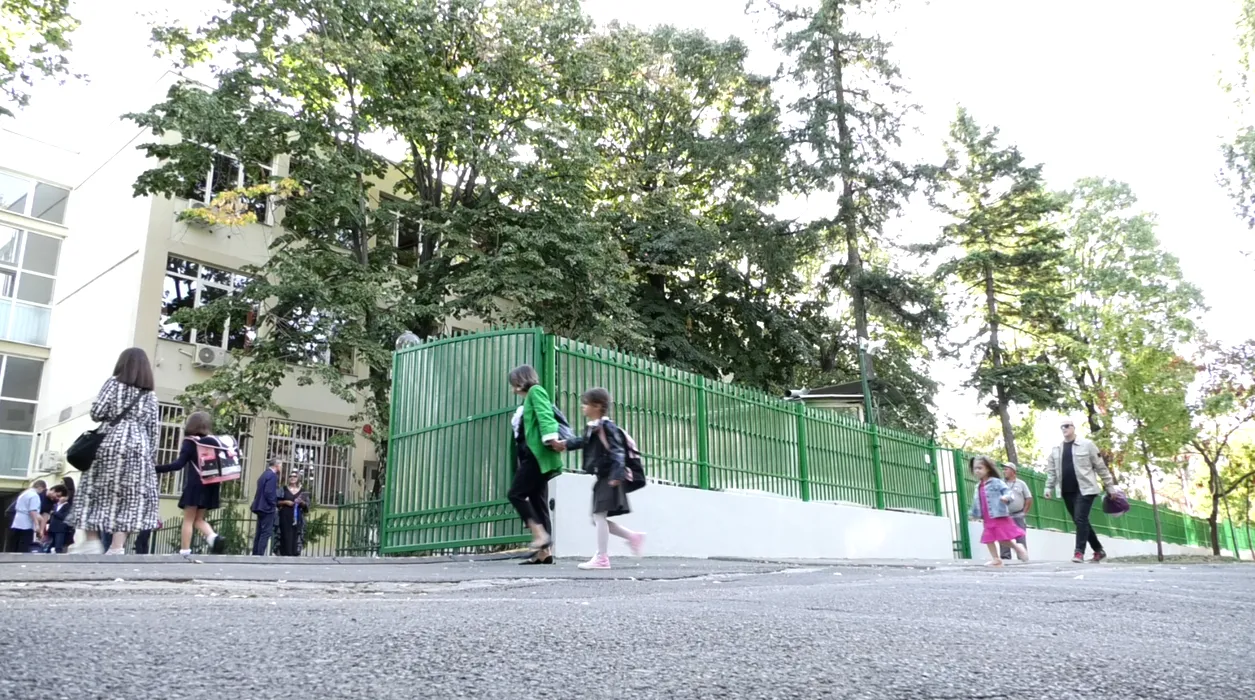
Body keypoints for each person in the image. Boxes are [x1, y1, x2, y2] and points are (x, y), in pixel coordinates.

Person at [69, 348, 160, 555]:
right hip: (139, 447)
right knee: (130, 496)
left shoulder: (113, 383)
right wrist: (149, 457)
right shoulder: (150, 396)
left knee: (94, 490)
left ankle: (92, 541)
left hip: (110, 441)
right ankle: (117, 547)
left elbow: (97, 412)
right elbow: (154, 430)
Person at [559, 388, 644, 570]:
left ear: (597, 406)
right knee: (598, 518)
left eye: (586, 403)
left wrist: (616, 475)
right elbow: (583, 441)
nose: (582, 406)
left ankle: (602, 558)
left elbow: (618, 451)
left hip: (610, 476)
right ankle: (632, 537)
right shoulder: (594, 427)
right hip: (604, 476)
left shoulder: (606, 426)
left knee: (599, 516)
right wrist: (564, 444)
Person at [506, 365, 564, 564]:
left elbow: (546, 415)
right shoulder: (527, 400)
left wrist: (551, 438)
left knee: (515, 494)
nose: (513, 388)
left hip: (536, 457)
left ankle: (540, 535)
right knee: (538, 501)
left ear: (520, 381)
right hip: (530, 457)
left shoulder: (535, 391)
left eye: (513, 383)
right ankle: (544, 553)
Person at [1044, 419, 1117, 564]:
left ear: (1073, 428)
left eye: (1066, 426)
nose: (1064, 429)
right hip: (1066, 490)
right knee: (1080, 521)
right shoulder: (1056, 450)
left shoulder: (1087, 445)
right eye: (1061, 427)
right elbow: (1051, 471)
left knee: (1080, 519)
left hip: (1086, 489)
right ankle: (1098, 550)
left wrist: (1110, 487)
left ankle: (1079, 553)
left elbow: (1100, 467)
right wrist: (1048, 487)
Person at [156, 411, 227, 556]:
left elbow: (178, 465)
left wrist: (156, 468)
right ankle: (213, 537)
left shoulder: (191, 442)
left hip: (195, 484)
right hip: (211, 484)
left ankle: (185, 551)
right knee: (198, 518)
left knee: (188, 519)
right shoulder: (213, 442)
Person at [968, 456, 1028, 568]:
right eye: (975, 468)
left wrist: (1006, 498)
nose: (977, 471)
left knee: (1002, 539)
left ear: (988, 469)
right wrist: (974, 513)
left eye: (980, 468)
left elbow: (1008, 492)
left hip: (998, 516)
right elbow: (977, 502)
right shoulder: (978, 486)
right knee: (988, 538)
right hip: (987, 518)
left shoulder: (996, 482)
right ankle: (996, 559)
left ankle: (1017, 547)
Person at [999, 464, 1033, 561]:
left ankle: (1022, 558)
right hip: (1004, 515)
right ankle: (1005, 558)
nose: (1004, 471)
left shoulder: (1021, 483)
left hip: (1018, 514)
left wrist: (1024, 512)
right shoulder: (1001, 483)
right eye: (1003, 469)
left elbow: (1029, 498)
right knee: (1003, 536)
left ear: (1013, 471)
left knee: (1020, 536)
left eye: (1006, 469)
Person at [251, 458, 282, 556]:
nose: (281, 467)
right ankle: (259, 555)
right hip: (267, 508)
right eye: (281, 465)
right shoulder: (272, 476)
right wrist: (274, 504)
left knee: (259, 532)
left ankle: (255, 554)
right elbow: (269, 492)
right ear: (276, 465)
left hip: (259, 506)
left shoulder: (264, 474)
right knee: (266, 532)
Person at [276, 470, 311, 556]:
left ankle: (294, 554)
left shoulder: (302, 491)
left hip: (297, 516)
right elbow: (276, 502)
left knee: (296, 535)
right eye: (290, 476)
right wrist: (285, 502)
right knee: (285, 534)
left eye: (294, 476)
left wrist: (301, 502)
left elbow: (306, 506)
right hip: (285, 515)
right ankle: (284, 554)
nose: (292, 478)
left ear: (298, 478)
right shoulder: (283, 489)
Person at [7, 480, 46, 553]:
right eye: (42, 490)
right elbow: (32, 511)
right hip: (26, 524)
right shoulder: (34, 496)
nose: (41, 492)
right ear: (40, 488)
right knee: (23, 547)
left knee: (14, 545)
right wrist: (37, 524)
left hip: (17, 522)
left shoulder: (24, 494)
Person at [46, 485, 73, 553]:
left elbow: (64, 516)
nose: (60, 498)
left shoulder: (67, 506)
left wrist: (54, 513)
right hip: (52, 528)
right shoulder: (55, 505)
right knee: (49, 545)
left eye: (61, 496)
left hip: (60, 529)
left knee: (58, 546)